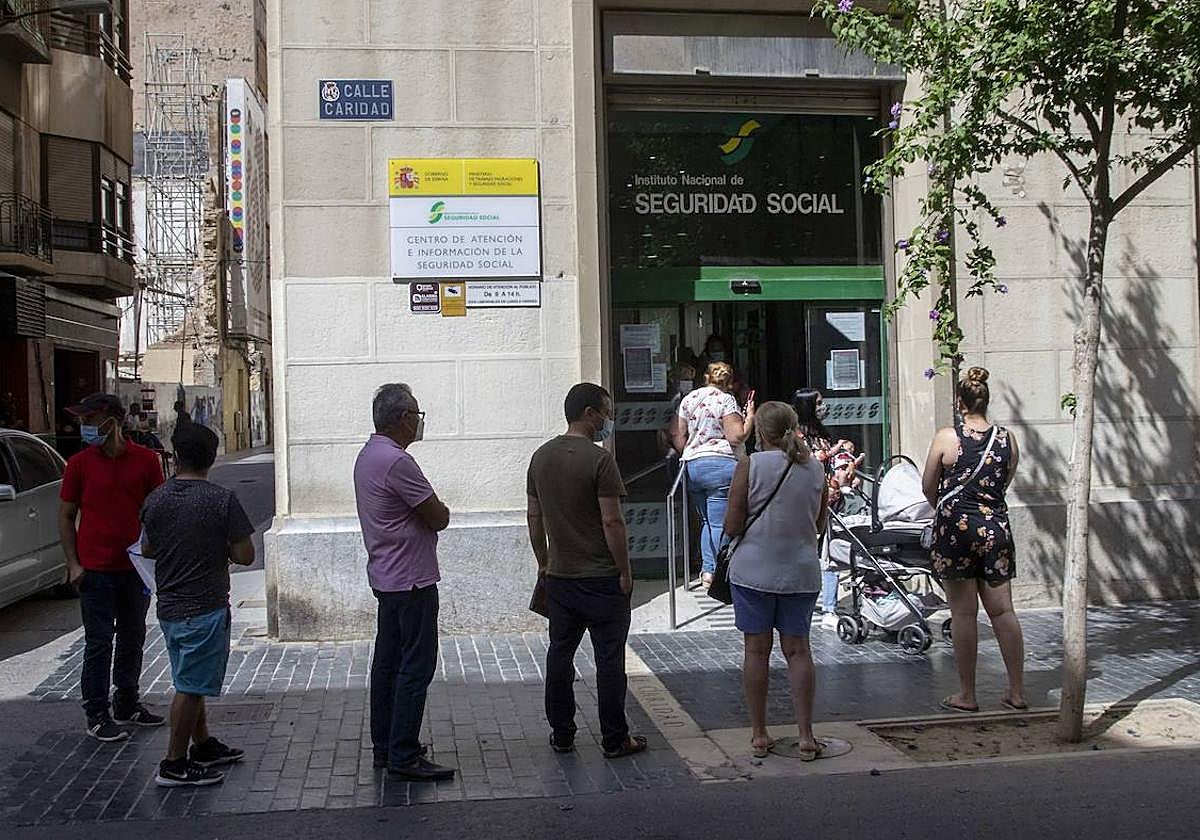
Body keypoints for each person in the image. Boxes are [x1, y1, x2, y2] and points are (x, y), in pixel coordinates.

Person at [526, 383, 646, 759]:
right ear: (590, 413)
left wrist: (544, 561)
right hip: (600, 578)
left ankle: (562, 732)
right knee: (609, 659)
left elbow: (534, 515)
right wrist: (624, 570)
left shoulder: (540, 457)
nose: (608, 420)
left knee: (560, 654)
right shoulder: (600, 459)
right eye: (606, 413)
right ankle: (615, 738)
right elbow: (612, 522)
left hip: (561, 577)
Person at [141, 422, 255, 787]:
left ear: (175, 457)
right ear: (212, 457)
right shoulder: (222, 500)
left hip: (170, 607)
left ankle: (202, 744)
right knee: (190, 687)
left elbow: (146, 548)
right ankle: (173, 763)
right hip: (205, 606)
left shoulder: (156, 498)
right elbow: (245, 554)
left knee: (190, 679)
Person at [353, 383, 456, 782]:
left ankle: (387, 744)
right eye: (416, 415)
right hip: (411, 580)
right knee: (415, 665)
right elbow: (438, 516)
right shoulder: (397, 463)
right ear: (401, 420)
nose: (419, 422)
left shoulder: (368, 455)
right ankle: (404, 752)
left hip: (387, 575)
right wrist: (442, 509)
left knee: (389, 663)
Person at [723, 402, 829, 759]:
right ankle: (806, 735)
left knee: (756, 651)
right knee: (799, 651)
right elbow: (819, 523)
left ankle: (759, 733)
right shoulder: (815, 468)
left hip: (754, 571)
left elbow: (732, 523)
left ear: (761, 432)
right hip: (801, 571)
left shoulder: (750, 465)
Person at [58, 393, 165, 741]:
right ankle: (97, 712)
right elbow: (66, 515)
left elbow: (157, 512)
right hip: (95, 569)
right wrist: (73, 563)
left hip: (134, 568)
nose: (85, 427)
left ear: (112, 422)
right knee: (99, 641)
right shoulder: (79, 464)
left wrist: (155, 556)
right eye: (84, 422)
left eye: (91, 421)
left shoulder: (146, 460)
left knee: (134, 636)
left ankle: (127, 702)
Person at [921, 366, 1026, 713]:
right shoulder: (1006, 439)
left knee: (963, 614)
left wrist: (949, 508)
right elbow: (1005, 480)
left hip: (956, 533)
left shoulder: (947, 438)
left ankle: (967, 693)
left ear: (959, 403)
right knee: (1003, 611)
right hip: (995, 530)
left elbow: (928, 484)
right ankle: (1016, 690)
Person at [673, 362, 755, 586]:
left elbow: (678, 436)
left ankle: (708, 570)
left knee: (707, 522)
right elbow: (736, 436)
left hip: (693, 464)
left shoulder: (688, 399)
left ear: (706, 376)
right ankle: (720, 571)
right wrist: (750, 418)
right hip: (721, 464)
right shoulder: (726, 399)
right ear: (729, 382)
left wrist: (693, 450)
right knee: (720, 522)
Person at [793, 388, 861, 629]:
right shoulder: (796, 435)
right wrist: (832, 452)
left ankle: (829, 607)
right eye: (819, 403)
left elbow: (829, 465)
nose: (823, 407)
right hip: (807, 503)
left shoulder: (822, 432)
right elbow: (807, 462)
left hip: (830, 500)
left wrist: (846, 462)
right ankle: (806, 604)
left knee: (829, 554)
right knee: (809, 555)